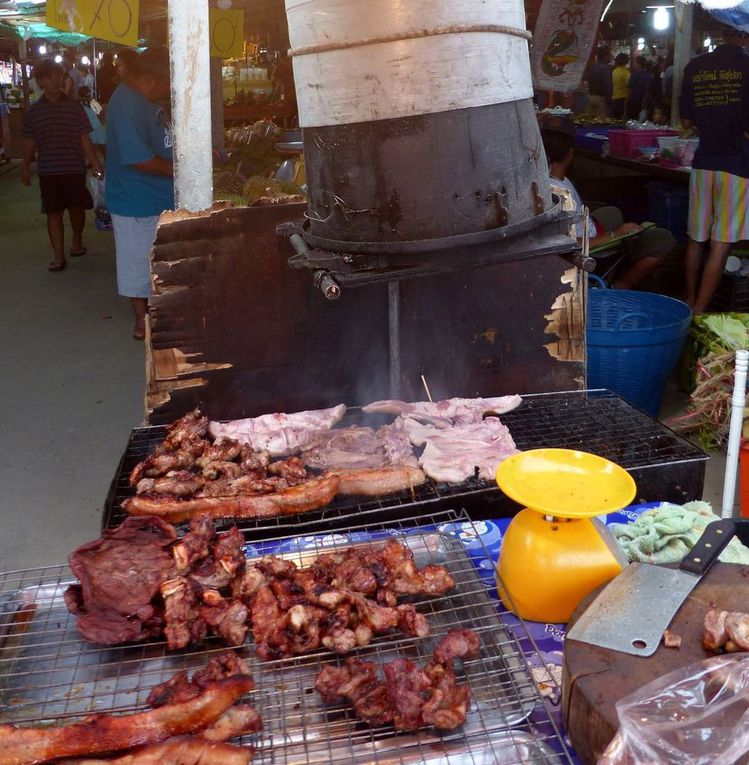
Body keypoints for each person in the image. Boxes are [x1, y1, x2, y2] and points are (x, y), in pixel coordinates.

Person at [539, 115, 675, 290]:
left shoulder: (549, 179)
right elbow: (564, 243)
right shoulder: (559, 194)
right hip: (589, 245)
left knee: (613, 212)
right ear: (571, 152)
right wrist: (615, 234)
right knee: (664, 239)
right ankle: (623, 284)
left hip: (586, 229)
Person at [105, 48, 174, 341]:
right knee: (137, 263)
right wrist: (180, 170)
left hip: (156, 197)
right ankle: (141, 321)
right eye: (163, 85)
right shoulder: (125, 106)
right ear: (148, 79)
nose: (165, 91)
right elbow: (139, 159)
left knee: (158, 258)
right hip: (134, 200)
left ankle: (160, 312)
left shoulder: (143, 99)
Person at [680, 26, 749, 313]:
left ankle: (687, 299)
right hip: (737, 166)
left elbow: (685, 121)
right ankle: (698, 313)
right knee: (720, 244)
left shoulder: (695, 66)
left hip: (703, 163)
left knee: (696, 239)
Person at [20, 58, 104, 272]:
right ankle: (58, 255)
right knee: (53, 213)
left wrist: (95, 164)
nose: (58, 80)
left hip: (74, 168)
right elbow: (29, 142)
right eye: (52, 77)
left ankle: (76, 241)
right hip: (48, 171)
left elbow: (84, 138)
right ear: (41, 81)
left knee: (77, 210)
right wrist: (24, 167)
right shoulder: (34, 112)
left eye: (60, 76)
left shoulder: (75, 108)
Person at [587, 46, 613, 118]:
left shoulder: (593, 67)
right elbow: (608, 86)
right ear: (605, 56)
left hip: (591, 97)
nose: (610, 57)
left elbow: (589, 82)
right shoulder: (605, 68)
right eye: (609, 55)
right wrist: (609, 101)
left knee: (591, 121)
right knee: (602, 122)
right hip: (602, 99)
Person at [611, 53, 630, 120]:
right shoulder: (625, 72)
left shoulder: (614, 71)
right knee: (622, 120)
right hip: (623, 98)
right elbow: (629, 85)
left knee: (615, 119)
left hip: (614, 97)